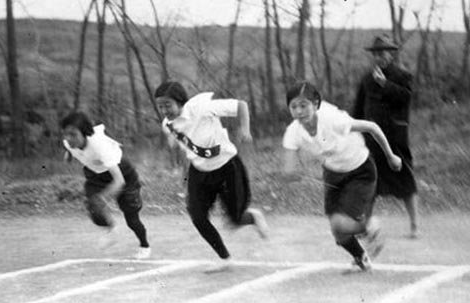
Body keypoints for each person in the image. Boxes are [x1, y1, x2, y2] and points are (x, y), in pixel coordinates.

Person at [282, 81, 402, 272]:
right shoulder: (293, 132)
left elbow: (371, 127)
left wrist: (390, 156)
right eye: (293, 106)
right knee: (338, 231)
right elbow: (289, 167)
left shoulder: (332, 119)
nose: (299, 111)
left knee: (342, 223)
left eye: (303, 105)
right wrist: (291, 173)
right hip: (333, 173)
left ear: (316, 104)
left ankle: (370, 226)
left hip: (360, 169)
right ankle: (361, 257)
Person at [154, 80, 268, 272]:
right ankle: (225, 259)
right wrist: (176, 153)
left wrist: (245, 129)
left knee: (235, 219)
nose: (164, 110)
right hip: (199, 172)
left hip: (227, 167)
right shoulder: (168, 124)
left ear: (180, 101)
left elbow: (241, 106)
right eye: (160, 106)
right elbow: (178, 142)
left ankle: (253, 217)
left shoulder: (201, 107)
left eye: (167, 104)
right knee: (197, 217)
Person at [352, 34, 419, 238]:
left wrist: (385, 84)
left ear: (391, 54)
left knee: (405, 182)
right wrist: (353, 130)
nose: (379, 57)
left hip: (395, 138)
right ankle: (364, 225)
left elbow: (406, 98)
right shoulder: (366, 78)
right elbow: (358, 108)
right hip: (371, 140)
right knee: (369, 182)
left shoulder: (402, 76)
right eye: (376, 54)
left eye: (382, 53)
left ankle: (415, 225)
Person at [60, 111, 151, 259]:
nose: (68, 139)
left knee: (132, 218)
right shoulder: (69, 143)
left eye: (73, 134)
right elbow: (69, 146)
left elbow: (119, 181)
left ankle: (144, 245)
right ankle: (112, 229)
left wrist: (104, 197)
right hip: (96, 175)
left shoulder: (99, 146)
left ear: (85, 134)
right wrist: (69, 153)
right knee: (93, 206)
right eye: (65, 134)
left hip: (122, 174)